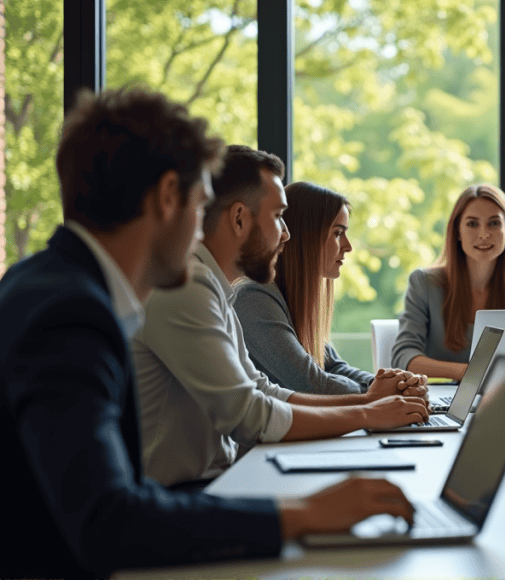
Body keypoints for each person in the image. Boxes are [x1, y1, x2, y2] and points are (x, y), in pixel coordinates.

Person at [0, 87, 414, 579]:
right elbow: (107, 522)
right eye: (200, 205)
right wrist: (304, 514)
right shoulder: (70, 314)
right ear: (168, 197)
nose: (202, 231)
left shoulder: (57, 284)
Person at [134, 145, 429, 488]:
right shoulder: (186, 286)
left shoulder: (213, 287)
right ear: (240, 218)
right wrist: (367, 412)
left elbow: (262, 391)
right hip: (178, 496)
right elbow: (250, 415)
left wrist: (370, 401)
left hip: (213, 483)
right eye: (277, 217)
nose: (286, 234)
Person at [235, 180, 402, 395]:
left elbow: (332, 366)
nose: (348, 246)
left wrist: (392, 384)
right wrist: (378, 390)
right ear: (306, 237)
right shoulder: (255, 298)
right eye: (338, 233)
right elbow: (311, 383)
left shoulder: (290, 298)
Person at [392, 184, 505, 380]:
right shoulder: (424, 283)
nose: (483, 234)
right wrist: (466, 373)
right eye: (472, 224)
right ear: (457, 232)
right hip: (438, 399)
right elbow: (403, 357)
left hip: (503, 395)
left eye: (494, 223)